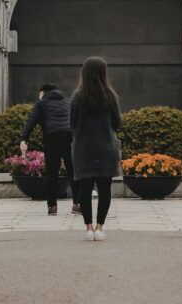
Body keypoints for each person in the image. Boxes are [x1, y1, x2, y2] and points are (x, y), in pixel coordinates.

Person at [69, 56, 121, 242]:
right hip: (106, 148)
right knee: (104, 190)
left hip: (83, 148)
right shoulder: (110, 96)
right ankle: (100, 228)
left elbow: (72, 124)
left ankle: (88, 228)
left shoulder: (77, 96)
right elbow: (118, 122)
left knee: (85, 189)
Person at [20, 83, 80, 216]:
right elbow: (77, 121)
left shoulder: (41, 104)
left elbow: (31, 121)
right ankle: (77, 204)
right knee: (72, 171)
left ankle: (52, 206)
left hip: (52, 138)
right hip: (69, 137)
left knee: (52, 173)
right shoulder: (68, 102)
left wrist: (24, 139)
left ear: (43, 93)